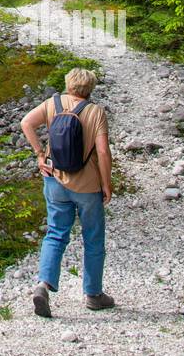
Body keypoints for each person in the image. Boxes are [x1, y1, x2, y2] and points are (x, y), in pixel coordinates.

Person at [20, 67, 114, 317]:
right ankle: (93, 294)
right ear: (90, 88)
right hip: (88, 186)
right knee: (93, 238)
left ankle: (43, 285)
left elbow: (26, 123)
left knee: (55, 233)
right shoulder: (95, 112)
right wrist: (107, 184)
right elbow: (103, 152)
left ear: (69, 84)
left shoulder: (54, 103)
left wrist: (40, 155)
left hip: (55, 180)